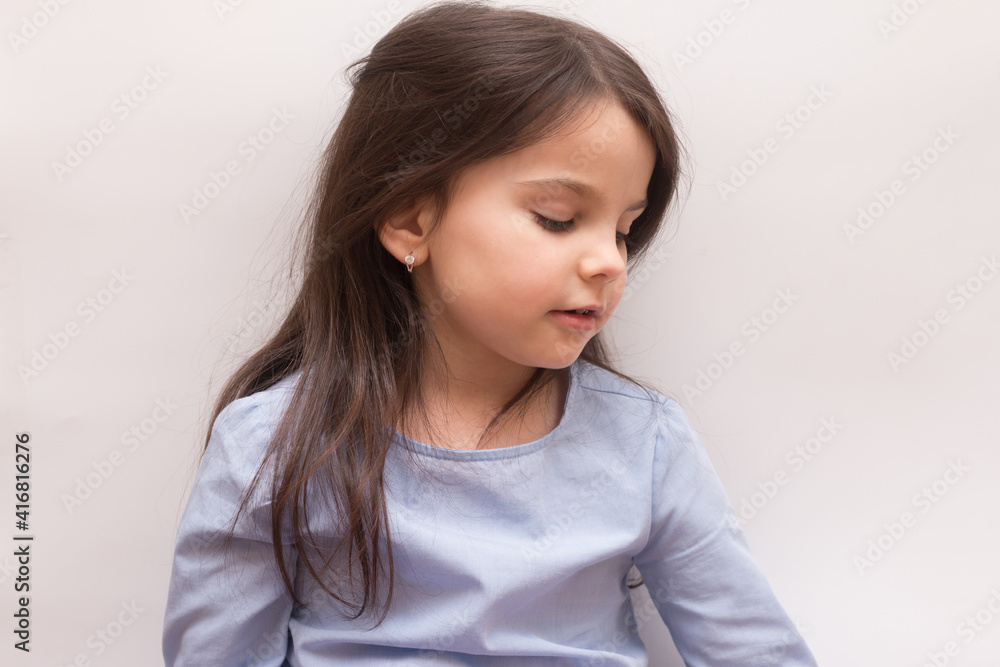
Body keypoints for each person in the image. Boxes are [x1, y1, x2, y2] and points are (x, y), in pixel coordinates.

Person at [162, 2, 819, 665]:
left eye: (624, 229)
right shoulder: (270, 446)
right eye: (557, 217)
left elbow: (756, 651)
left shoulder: (646, 445)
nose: (610, 261)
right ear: (410, 221)